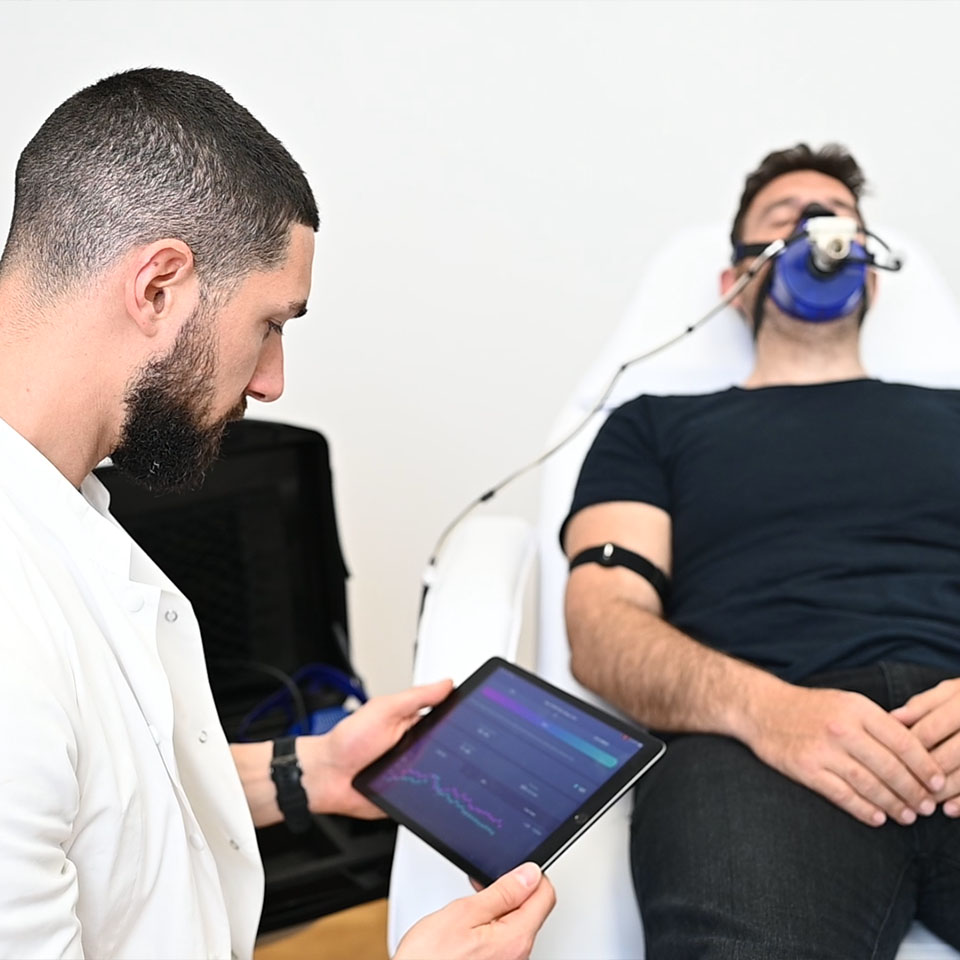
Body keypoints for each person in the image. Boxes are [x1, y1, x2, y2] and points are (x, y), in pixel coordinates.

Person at [0, 68, 554, 960]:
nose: (272, 380)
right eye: (270, 322)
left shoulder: (57, 510)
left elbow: (103, 804)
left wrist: (313, 772)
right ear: (158, 288)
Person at [562, 143, 960, 959]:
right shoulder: (652, 426)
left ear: (871, 273)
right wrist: (769, 714)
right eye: (788, 220)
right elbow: (602, 627)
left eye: (836, 221)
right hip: (756, 748)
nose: (818, 233)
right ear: (734, 279)